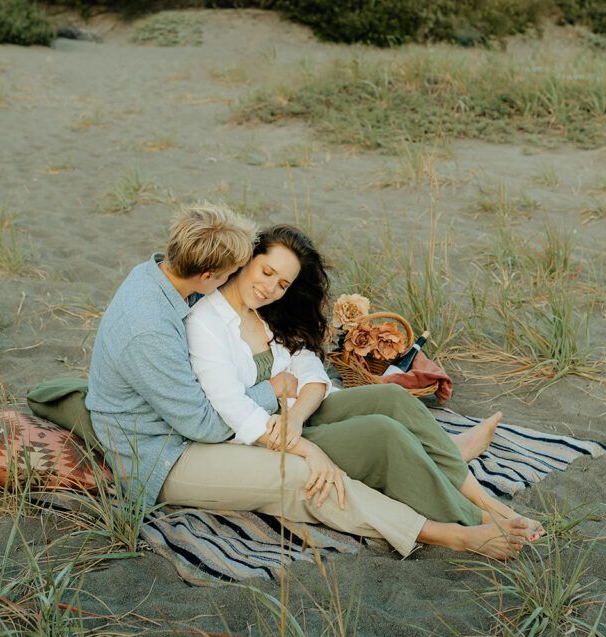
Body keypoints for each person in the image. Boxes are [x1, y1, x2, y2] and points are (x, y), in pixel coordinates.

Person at [86, 202, 537, 560]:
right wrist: (284, 406)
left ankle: (451, 469)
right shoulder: (158, 326)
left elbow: (295, 373)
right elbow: (201, 423)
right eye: (235, 271)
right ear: (210, 274)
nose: (241, 279)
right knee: (305, 475)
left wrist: (294, 412)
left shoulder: (159, 274)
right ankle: (455, 532)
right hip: (166, 452)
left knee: (386, 403)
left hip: (226, 419)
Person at [186, 223, 545, 543]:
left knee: (391, 396)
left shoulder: (265, 312)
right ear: (247, 260)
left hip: (294, 419)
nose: (270, 288)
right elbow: (233, 408)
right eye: (266, 272)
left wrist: (296, 417)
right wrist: (291, 426)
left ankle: (486, 500)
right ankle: (475, 522)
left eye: (282, 284)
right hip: (263, 440)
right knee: (382, 434)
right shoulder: (206, 321)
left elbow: (311, 374)